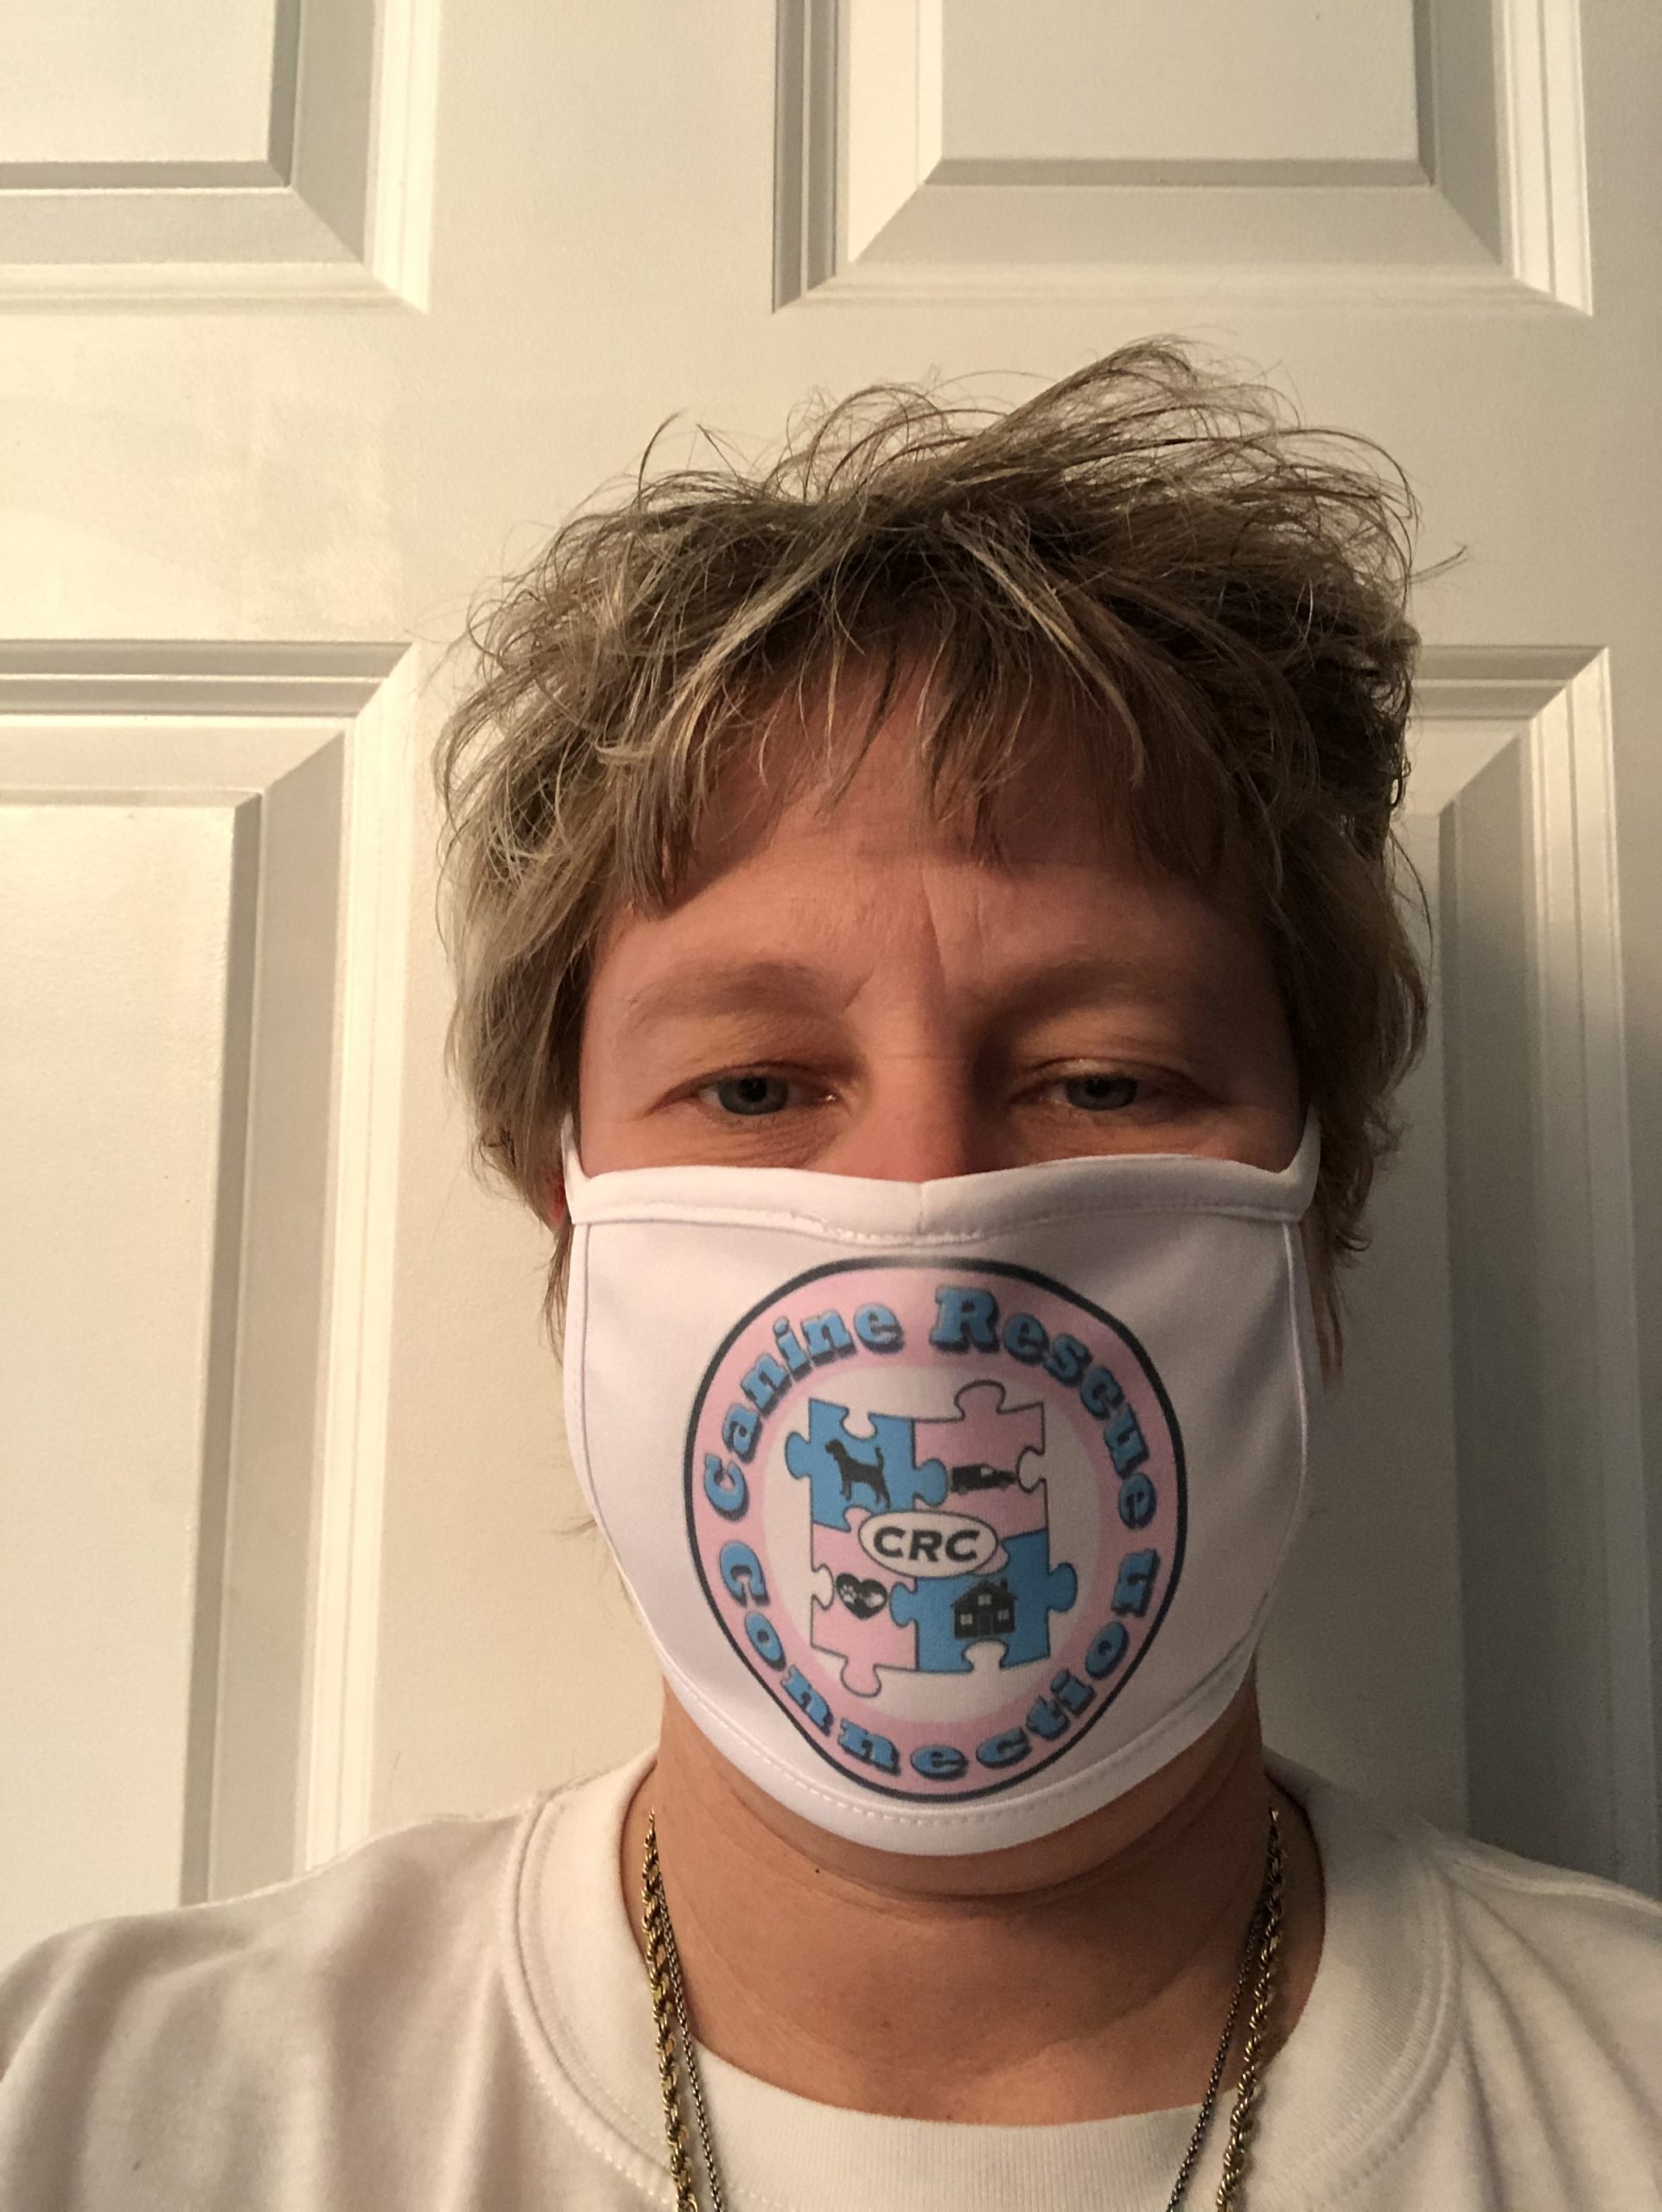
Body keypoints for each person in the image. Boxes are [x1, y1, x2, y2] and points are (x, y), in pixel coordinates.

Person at [2, 344, 1658, 2210]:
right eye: (755, 1086)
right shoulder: (97, 2112)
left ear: (1319, 1191)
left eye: (1104, 1078)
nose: (927, 1204)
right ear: (568, 1211)